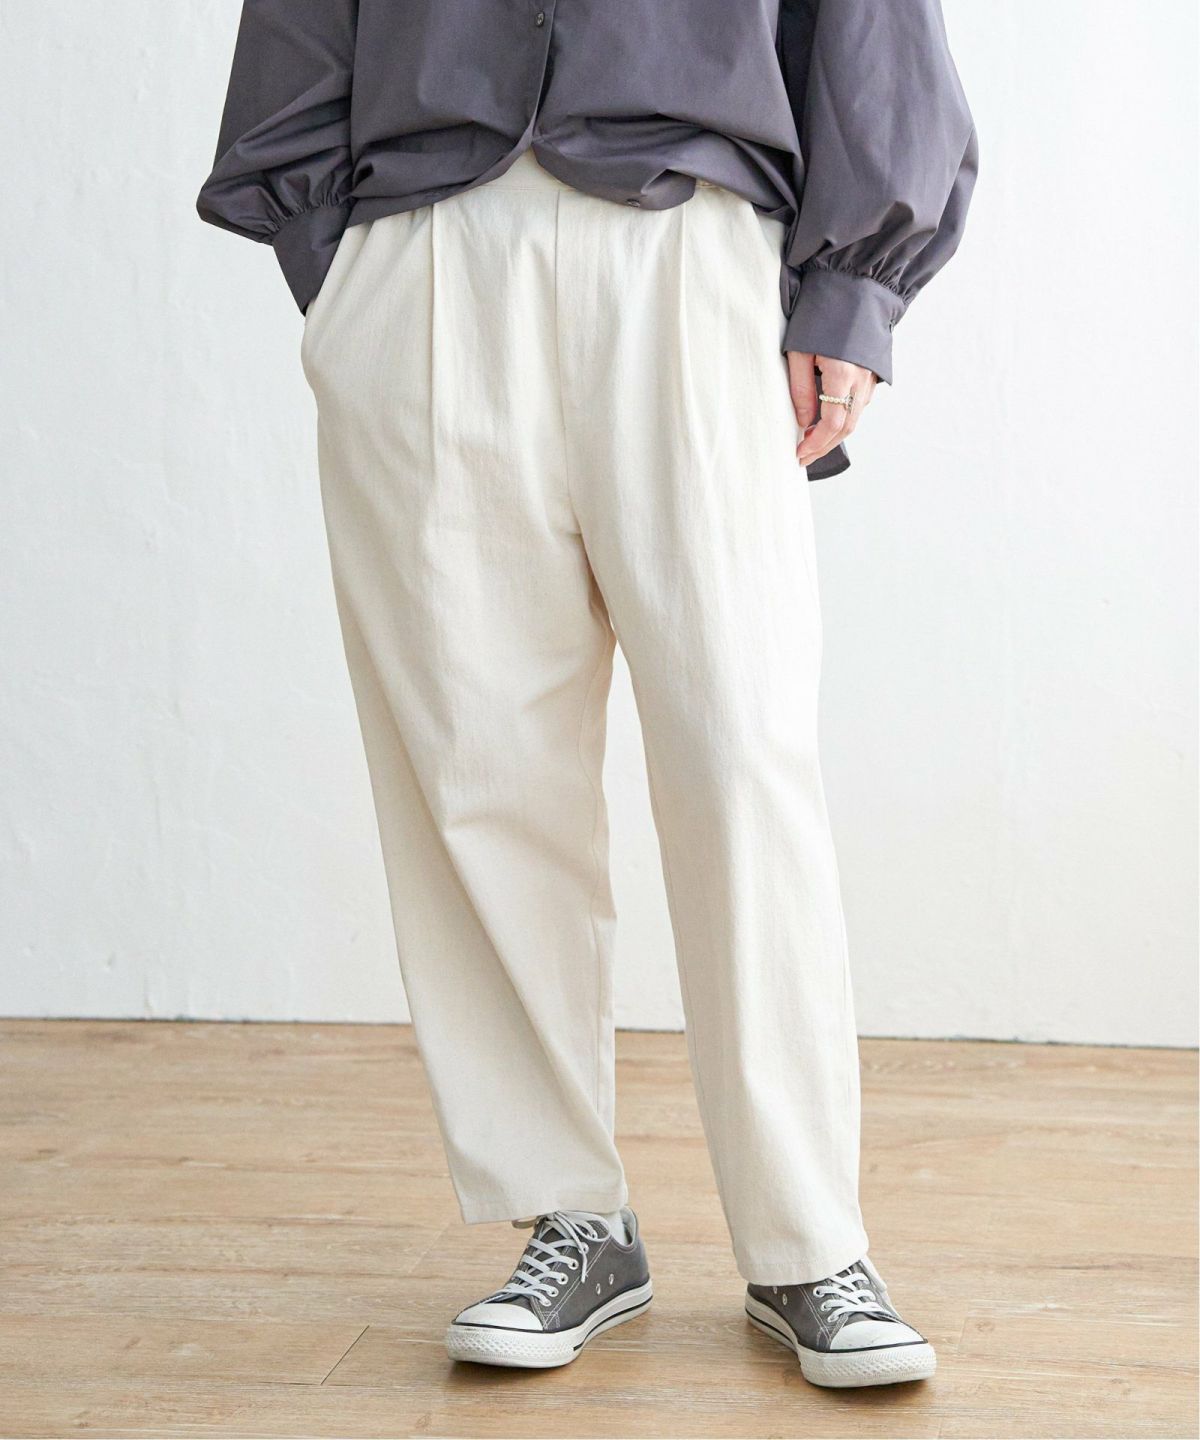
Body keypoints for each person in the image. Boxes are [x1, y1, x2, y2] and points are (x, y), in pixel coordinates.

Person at [198, 0, 976, 1389]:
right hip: (429, 247)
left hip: (693, 247)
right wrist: (347, 268)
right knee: (477, 764)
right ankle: (568, 1211)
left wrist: (852, 293)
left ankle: (808, 1241)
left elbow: (869, 26)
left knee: (741, 751)